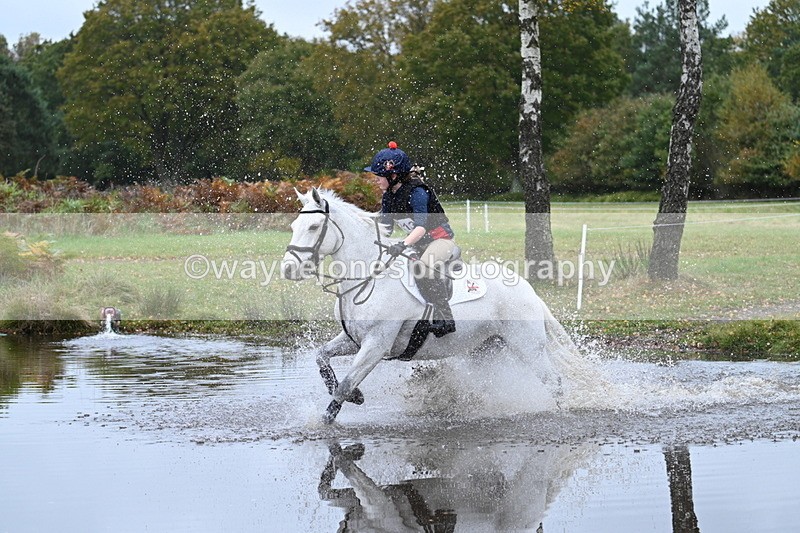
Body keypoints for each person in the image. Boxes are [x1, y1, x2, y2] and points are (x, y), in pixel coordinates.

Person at [365, 141, 457, 337]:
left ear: (393, 175)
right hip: (416, 243)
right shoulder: (389, 196)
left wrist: (403, 245)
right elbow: (385, 229)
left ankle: (445, 318)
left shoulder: (417, 192)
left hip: (440, 241)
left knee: (423, 266)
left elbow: (421, 227)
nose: (376, 180)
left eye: (379, 176)